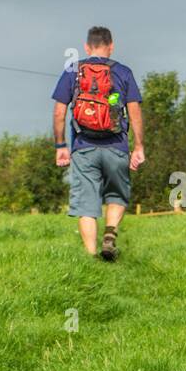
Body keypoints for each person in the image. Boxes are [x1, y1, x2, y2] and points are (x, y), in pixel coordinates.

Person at [51, 26, 144, 260]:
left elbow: (59, 112)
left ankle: (92, 258)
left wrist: (61, 146)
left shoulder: (73, 71)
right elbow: (134, 112)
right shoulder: (123, 72)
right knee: (117, 195)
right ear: (111, 46)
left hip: (83, 146)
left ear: (86, 46)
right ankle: (110, 234)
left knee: (86, 205)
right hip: (117, 146)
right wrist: (139, 147)